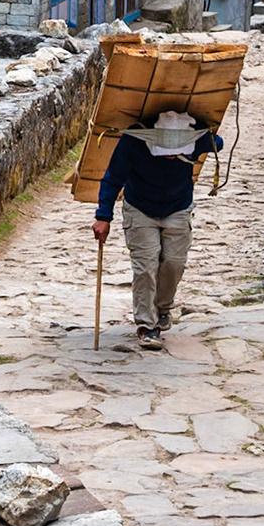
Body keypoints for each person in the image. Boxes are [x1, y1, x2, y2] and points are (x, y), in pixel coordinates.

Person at [90, 110, 223, 350]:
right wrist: (103, 216)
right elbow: (112, 178)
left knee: (174, 262)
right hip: (139, 208)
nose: (171, 156)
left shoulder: (196, 137)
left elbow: (217, 143)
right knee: (145, 266)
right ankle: (147, 326)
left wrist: (205, 133)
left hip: (178, 207)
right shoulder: (133, 140)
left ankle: (162, 308)